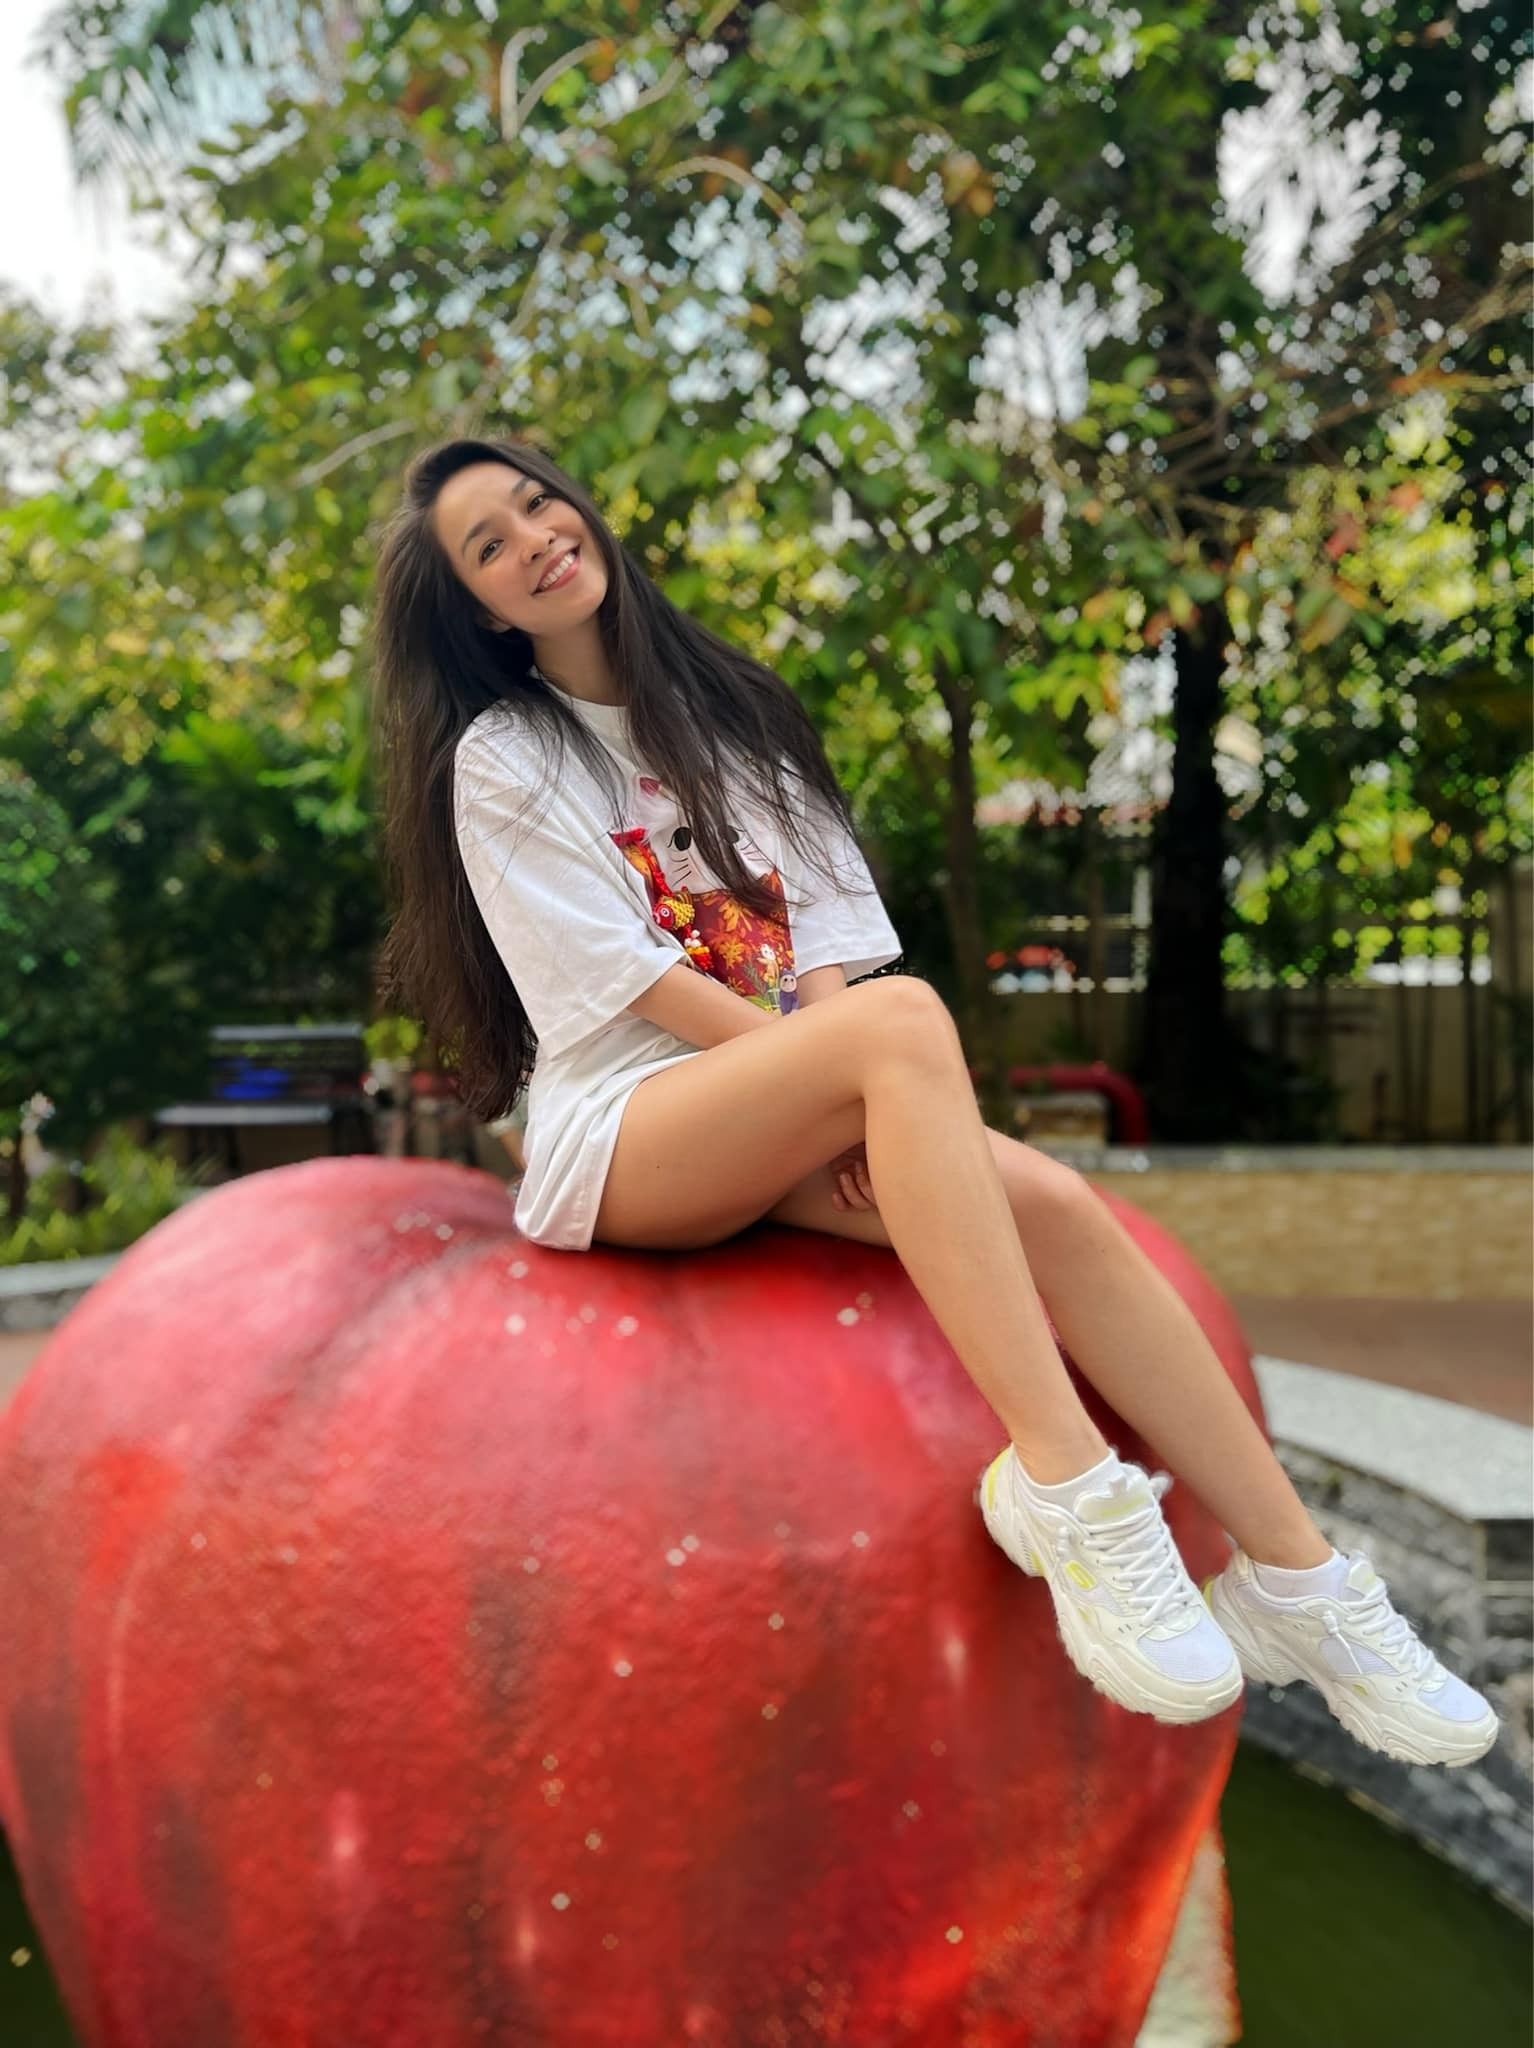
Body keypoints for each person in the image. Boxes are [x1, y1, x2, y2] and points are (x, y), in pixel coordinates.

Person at [369, 433, 1498, 1770]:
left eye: (536, 504)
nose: (534, 541)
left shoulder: (730, 708)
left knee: (1057, 1207)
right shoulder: (506, 757)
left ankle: (1302, 1582)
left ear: (581, 507)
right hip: (631, 1131)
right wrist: (840, 1087)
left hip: (796, 1089)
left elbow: (829, 938)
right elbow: (628, 980)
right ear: (480, 611)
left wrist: (843, 1088)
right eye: (489, 547)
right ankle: (1069, 1486)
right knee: (902, 1025)